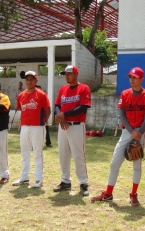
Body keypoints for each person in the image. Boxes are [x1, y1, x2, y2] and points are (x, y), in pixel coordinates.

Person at [91, 67, 145, 206]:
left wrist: (139, 133)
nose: (132, 80)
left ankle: (133, 194)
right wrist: (131, 131)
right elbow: (122, 115)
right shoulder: (125, 94)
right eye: (130, 77)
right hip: (127, 131)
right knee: (114, 163)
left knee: (137, 165)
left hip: (140, 133)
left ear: (141, 79)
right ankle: (108, 193)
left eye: (135, 77)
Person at [53, 65, 91, 196]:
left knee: (78, 155)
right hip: (63, 126)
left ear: (76, 74)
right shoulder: (63, 89)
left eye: (69, 74)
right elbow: (57, 105)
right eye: (65, 74)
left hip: (76, 126)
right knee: (63, 154)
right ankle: (65, 181)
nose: (66, 76)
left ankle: (83, 183)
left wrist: (64, 115)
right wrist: (60, 117)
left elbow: (83, 108)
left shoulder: (83, 88)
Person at [12, 71, 50, 188]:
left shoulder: (41, 94)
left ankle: (38, 179)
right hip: (24, 126)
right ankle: (24, 177)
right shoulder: (21, 95)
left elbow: (48, 110)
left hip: (38, 126)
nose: (29, 81)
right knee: (25, 153)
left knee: (37, 153)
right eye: (27, 79)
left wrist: (43, 121)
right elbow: (20, 109)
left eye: (31, 79)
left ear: (36, 80)